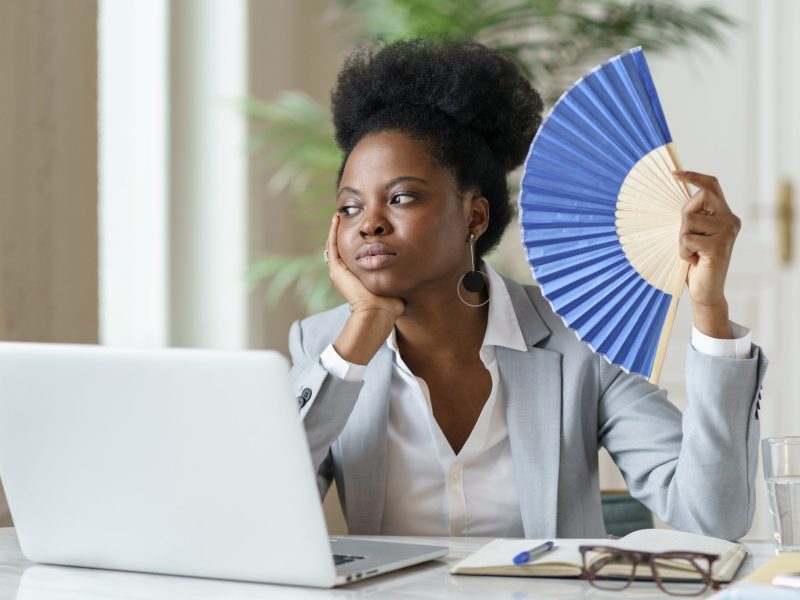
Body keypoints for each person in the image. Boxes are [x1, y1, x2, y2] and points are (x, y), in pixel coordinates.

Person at [289, 38, 767, 540]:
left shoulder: (581, 337)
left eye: (402, 197)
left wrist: (709, 310)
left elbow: (713, 517)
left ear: (474, 216)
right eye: (349, 207)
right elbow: (253, 512)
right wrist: (358, 336)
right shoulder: (325, 352)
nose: (369, 224)